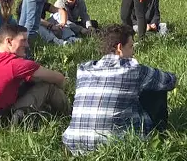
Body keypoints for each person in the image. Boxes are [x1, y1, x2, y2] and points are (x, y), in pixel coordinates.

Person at [63, 25, 178, 154]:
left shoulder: (83, 69)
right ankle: (160, 134)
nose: (133, 52)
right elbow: (170, 81)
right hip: (115, 144)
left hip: (74, 143)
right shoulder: (134, 69)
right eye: (131, 46)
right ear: (119, 48)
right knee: (157, 87)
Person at [0, 24, 70, 125]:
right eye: (23, 40)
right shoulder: (15, 64)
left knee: (27, 83)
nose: (27, 45)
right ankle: (70, 114)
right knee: (48, 87)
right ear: (9, 41)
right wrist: (64, 89)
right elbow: (59, 79)